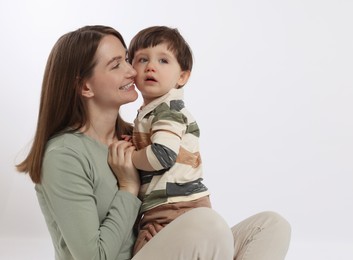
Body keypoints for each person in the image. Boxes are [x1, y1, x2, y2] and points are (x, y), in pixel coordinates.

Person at [15, 24, 291, 260]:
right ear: (86, 86)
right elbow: (93, 256)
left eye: (126, 59)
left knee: (271, 226)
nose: (132, 71)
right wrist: (128, 188)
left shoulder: (137, 136)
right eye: (117, 65)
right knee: (207, 226)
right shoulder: (65, 154)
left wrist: (162, 230)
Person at [127, 26, 211, 254]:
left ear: (182, 77)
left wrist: (130, 157)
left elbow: (163, 155)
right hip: (181, 203)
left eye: (163, 61)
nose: (151, 66)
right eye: (142, 59)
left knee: (145, 249)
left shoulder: (167, 111)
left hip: (173, 206)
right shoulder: (154, 111)